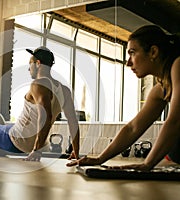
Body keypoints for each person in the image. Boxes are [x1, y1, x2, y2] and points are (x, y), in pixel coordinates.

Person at [67, 25, 180, 170]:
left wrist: (148, 164)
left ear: (153, 52)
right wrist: (100, 159)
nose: (128, 63)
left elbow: (176, 121)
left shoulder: (178, 65)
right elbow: (133, 128)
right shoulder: (160, 89)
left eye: (132, 53)